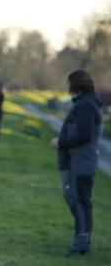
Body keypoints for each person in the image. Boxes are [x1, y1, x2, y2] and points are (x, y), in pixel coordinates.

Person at [50, 69, 103, 257]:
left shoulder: (85, 105)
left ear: (75, 84)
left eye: (69, 83)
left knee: (78, 202)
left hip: (80, 162)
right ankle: (83, 242)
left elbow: (84, 134)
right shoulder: (88, 103)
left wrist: (60, 142)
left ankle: (80, 244)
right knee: (82, 202)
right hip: (83, 161)